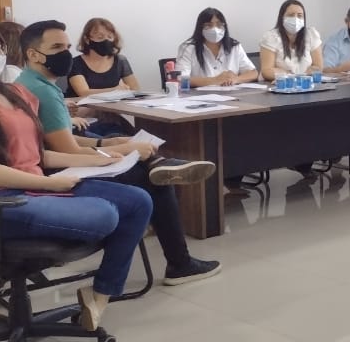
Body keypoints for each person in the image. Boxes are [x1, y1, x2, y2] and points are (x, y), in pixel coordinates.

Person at [0, 20, 153, 329]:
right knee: (104, 215)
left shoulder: (15, 93)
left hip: (35, 189)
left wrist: (98, 160)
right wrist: (49, 182)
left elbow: (38, 155)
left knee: (139, 201)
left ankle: (99, 297)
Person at [18, 20, 222, 285]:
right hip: (59, 172)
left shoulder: (27, 81)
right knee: (155, 181)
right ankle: (180, 264)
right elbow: (66, 150)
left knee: (118, 140)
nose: (65, 54)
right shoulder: (44, 91)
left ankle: (159, 163)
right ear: (33, 54)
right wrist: (123, 150)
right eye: (57, 47)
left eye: (67, 47)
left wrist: (111, 144)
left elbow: (60, 139)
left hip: (51, 161)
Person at [178, 8, 258, 86]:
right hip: (200, 94)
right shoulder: (188, 48)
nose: (215, 29)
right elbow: (180, 80)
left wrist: (236, 79)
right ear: (200, 28)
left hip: (232, 93)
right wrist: (215, 80)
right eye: (208, 25)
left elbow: (253, 73)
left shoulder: (234, 46)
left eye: (219, 25)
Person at [67, 17, 140, 98]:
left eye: (110, 37)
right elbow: (84, 93)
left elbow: (135, 89)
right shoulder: (75, 63)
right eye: (100, 37)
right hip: (81, 105)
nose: (106, 41)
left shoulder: (120, 60)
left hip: (113, 104)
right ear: (87, 39)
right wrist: (115, 90)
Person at [258, 0, 323, 82]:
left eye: (299, 15)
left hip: (306, 84)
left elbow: (318, 67)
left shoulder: (311, 35)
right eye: (291, 15)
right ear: (282, 18)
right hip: (282, 85)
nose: (295, 19)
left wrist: (301, 76)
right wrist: (290, 76)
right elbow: (267, 71)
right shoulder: (270, 37)